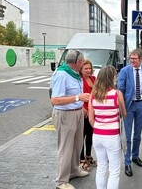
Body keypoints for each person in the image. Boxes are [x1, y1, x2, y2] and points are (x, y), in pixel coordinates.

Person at [51, 50, 90, 189]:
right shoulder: (62, 74)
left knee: (77, 145)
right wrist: (78, 98)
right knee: (66, 148)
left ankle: (73, 170)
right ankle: (61, 181)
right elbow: (55, 100)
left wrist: (81, 107)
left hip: (76, 112)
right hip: (65, 115)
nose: (84, 63)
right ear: (77, 62)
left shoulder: (75, 74)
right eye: (82, 61)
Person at [88, 65, 126, 189]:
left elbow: (91, 118)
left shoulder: (93, 94)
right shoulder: (117, 94)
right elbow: (123, 114)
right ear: (112, 78)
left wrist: (100, 126)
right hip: (112, 136)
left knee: (101, 167)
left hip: (97, 135)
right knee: (114, 171)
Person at [117, 48, 142, 177]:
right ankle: (127, 162)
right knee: (127, 136)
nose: (132, 61)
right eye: (131, 58)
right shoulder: (125, 71)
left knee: (138, 134)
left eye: (134, 59)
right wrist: (122, 107)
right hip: (128, 106)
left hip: (141, 104)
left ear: (141, 59)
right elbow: (120, 89)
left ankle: (135, 156)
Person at [79, 60, 97, 171]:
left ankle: (88, 155)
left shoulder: (94, 79)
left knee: (90, 135)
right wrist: (82, 108)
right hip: (84, 111)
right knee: (82, 135)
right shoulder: (79, 81)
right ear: (81, 70)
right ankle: (81, 159)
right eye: (86, 68)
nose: (88, 70)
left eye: (90, 68)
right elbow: (77, 95)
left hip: (93, 111)